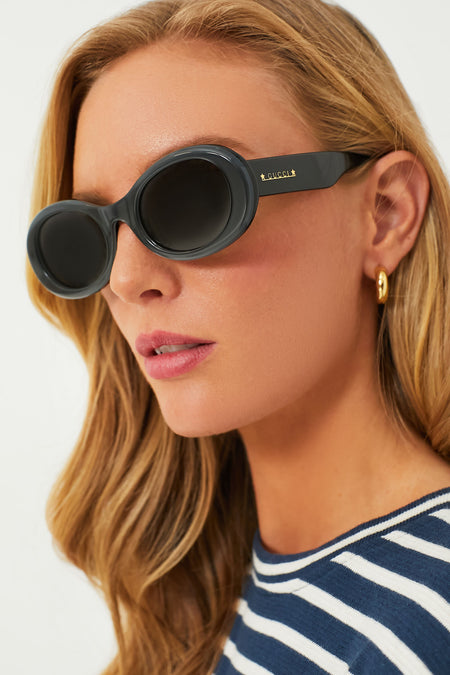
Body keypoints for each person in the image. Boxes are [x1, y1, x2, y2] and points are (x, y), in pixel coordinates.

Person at [26, 0, 450, 673]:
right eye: (89, 232)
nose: (128, 279)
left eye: (196, 199)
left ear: (385, 214)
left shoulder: (426, 621)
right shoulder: (206, 595)